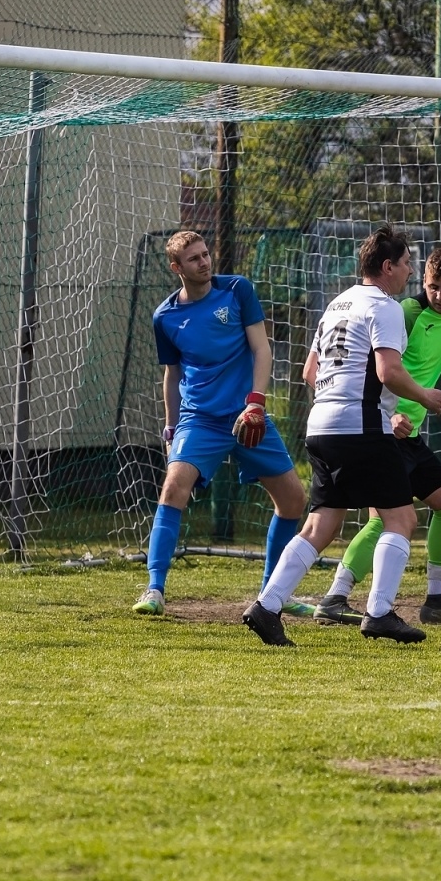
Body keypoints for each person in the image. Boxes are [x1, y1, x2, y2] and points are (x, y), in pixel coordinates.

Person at [240, 225, 441, 647]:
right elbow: (387, 372)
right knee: (401, 518)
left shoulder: (337, 304)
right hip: (361, 427)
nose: (410, 270)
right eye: (407, 262)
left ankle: (267, 605)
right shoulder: (384, 306)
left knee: (321, 523)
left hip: (322, 425)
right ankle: (380, 612)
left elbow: (309, 373)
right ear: (387, 267)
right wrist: (424, 395)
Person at [132, 231, 309, 618]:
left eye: (206, 254)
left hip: (249, 416)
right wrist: (170, 428)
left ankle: (272, 593)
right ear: (176, 268)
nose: (205, 262)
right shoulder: (165, 316)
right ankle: (154, 590)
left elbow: (262, 350)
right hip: (201, 420)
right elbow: (172, 374)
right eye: (194, 258)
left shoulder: (237, 290)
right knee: (173, 489)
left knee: (294, 500)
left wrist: (256, 403)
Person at [314, 245, 441, 626]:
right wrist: (391, 413)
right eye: (432, 287)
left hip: (410, 436)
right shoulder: (406, 313)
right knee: (384, 519)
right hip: (385, 430)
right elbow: (378, 367)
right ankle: (335, 597)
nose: (440, 297)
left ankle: (436, 600)